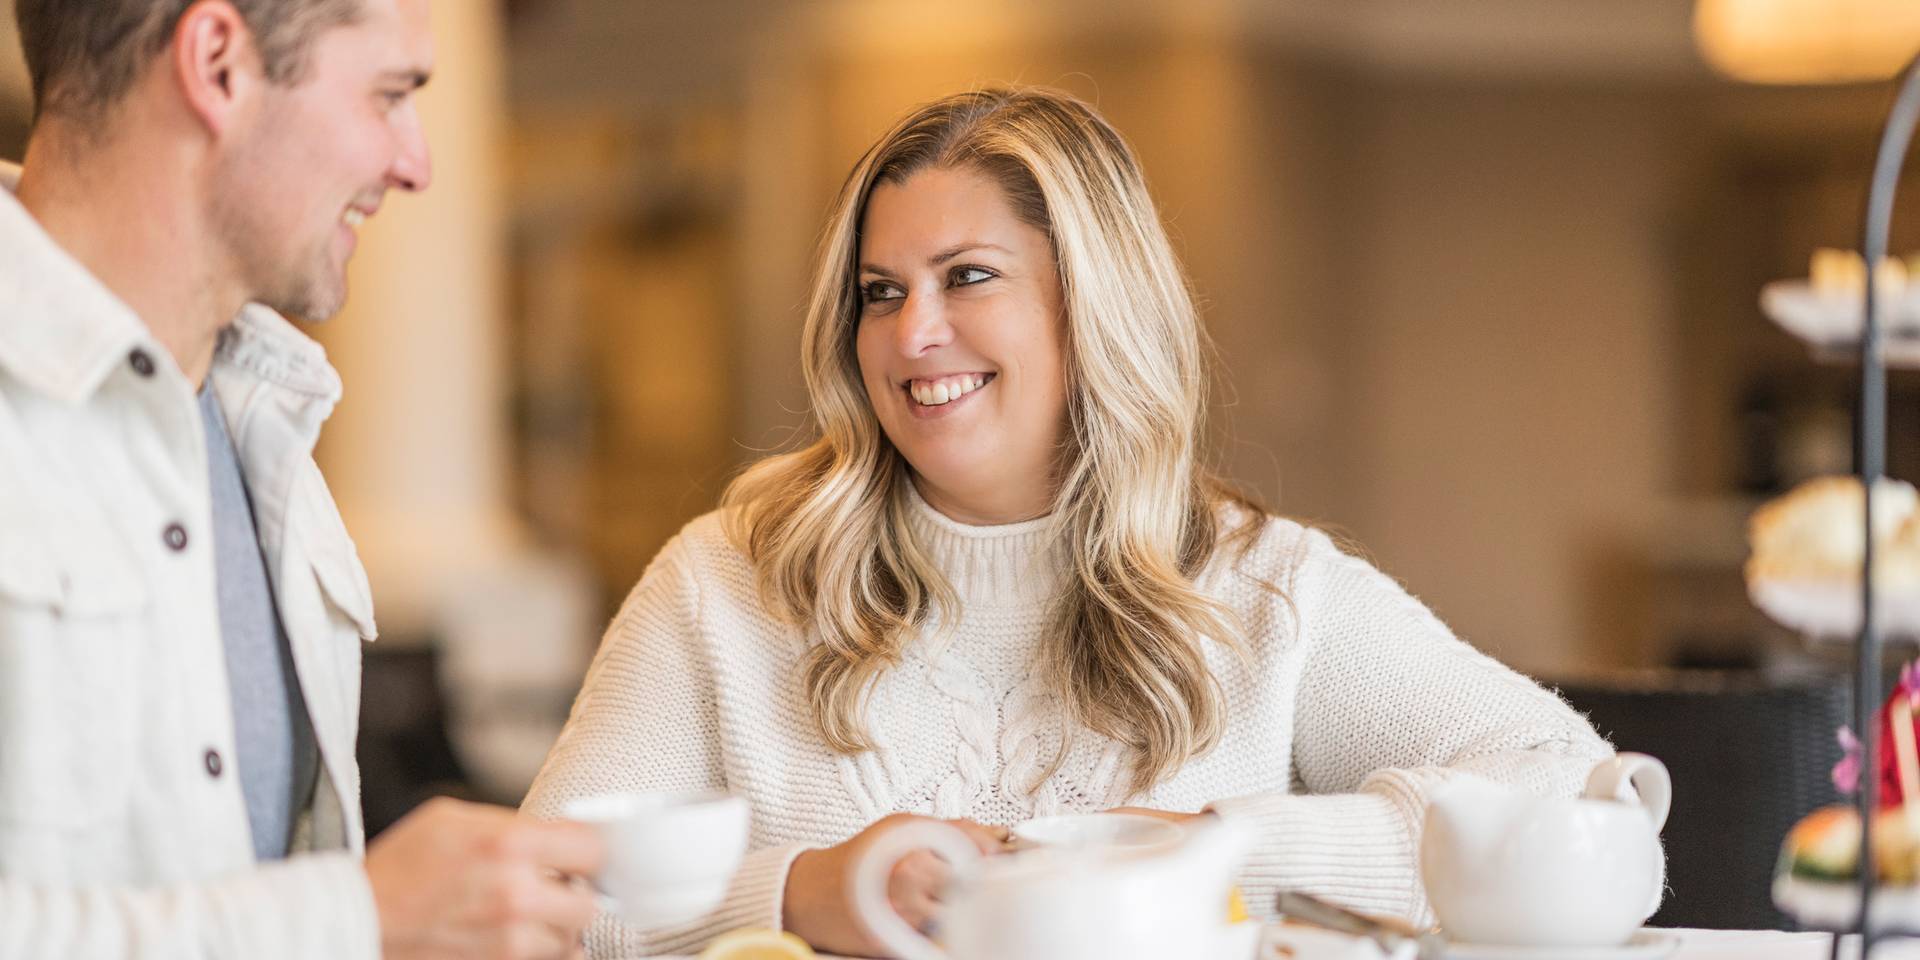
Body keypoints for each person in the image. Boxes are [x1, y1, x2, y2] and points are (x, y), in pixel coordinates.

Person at [523, 87, 1636, 958]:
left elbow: (1580, 792)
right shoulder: (724, 581)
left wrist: (1218, 855)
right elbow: (541, 905)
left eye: (967, 277)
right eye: (880, 291)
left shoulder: (1262, 587)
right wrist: (810, 892)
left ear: (1089, 306)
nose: (914, 336)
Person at [0, 2, 602, 958]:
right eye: (389, 95)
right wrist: (362, 919)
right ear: (218, 63)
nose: (417, 163)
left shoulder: (265, 423)